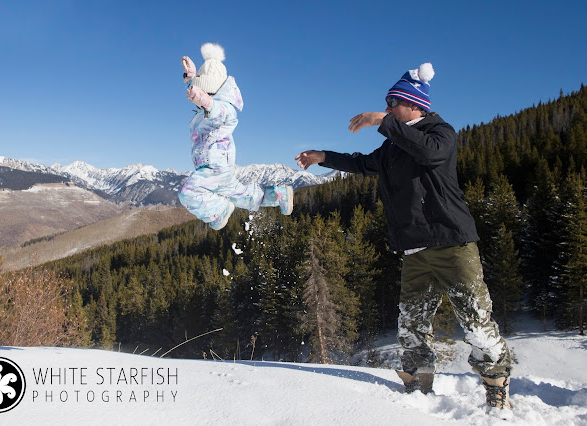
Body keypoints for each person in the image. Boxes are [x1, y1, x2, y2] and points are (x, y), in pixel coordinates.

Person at [295, 63, 513, 412]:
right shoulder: (394, 146)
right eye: (386, 103)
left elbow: (429, 153)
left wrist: (382, 122)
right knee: (411, 321)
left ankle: (495, 385)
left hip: (452, 243)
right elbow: (365, 163)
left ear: (412, 104)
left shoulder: (439, 132)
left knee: (475, 318)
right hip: (414, 248)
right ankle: (418, 382)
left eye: (391, 102)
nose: (387, 107)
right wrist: (324, 157)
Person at [179, 43, 293, 230]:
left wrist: (205, 100)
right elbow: (205, 94)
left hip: (215, 167)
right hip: (219, 166)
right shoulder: (206, 104)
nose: (196, 97)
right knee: (246, 196)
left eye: (202, 91)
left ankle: (219, 212)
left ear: (211, 92)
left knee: (189, 193)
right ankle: (279, 195)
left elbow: (218, 111)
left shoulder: (224, 108)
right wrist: (191, 79)